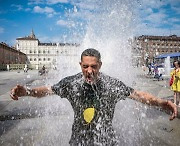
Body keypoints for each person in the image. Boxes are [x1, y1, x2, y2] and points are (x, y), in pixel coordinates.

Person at [10, 48, 177, 146]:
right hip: (78, 141)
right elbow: (47, 90)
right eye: (85, 66)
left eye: (94, 66)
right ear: (80, 65)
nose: (89, 71)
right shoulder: (72, 83)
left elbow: (138, 95)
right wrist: (27, 91)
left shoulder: (111, 85)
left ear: (100, 65)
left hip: (106, 141)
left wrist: (162, 103)